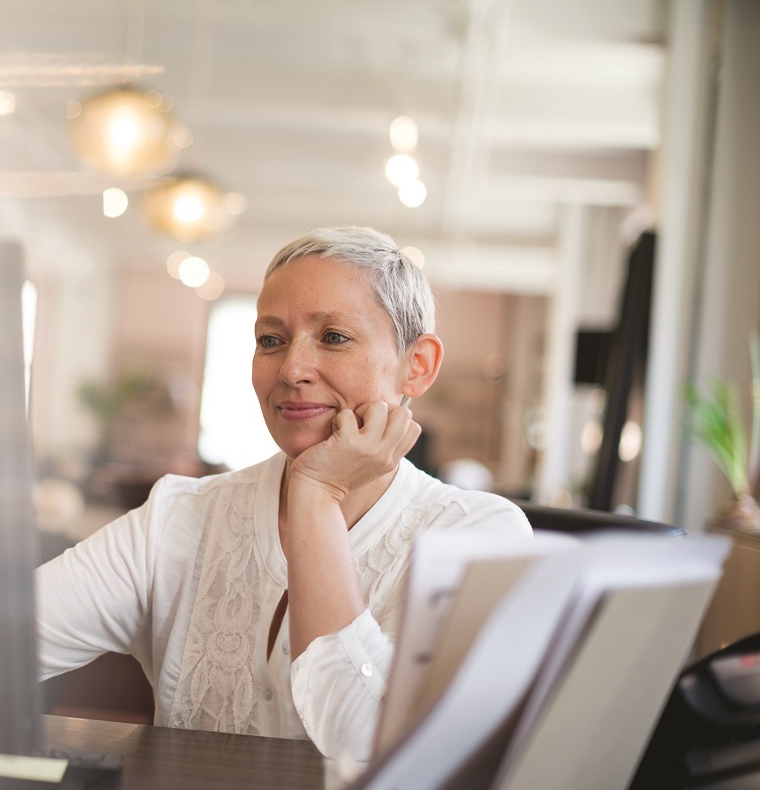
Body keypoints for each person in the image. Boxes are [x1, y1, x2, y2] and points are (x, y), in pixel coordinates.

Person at [35, 226, 531, 763]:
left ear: (418, 365)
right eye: (271, 340)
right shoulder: (180, 515)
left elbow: (366, 745)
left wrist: (316, 494)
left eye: (334, 337)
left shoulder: (481, 538)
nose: (292, 370)